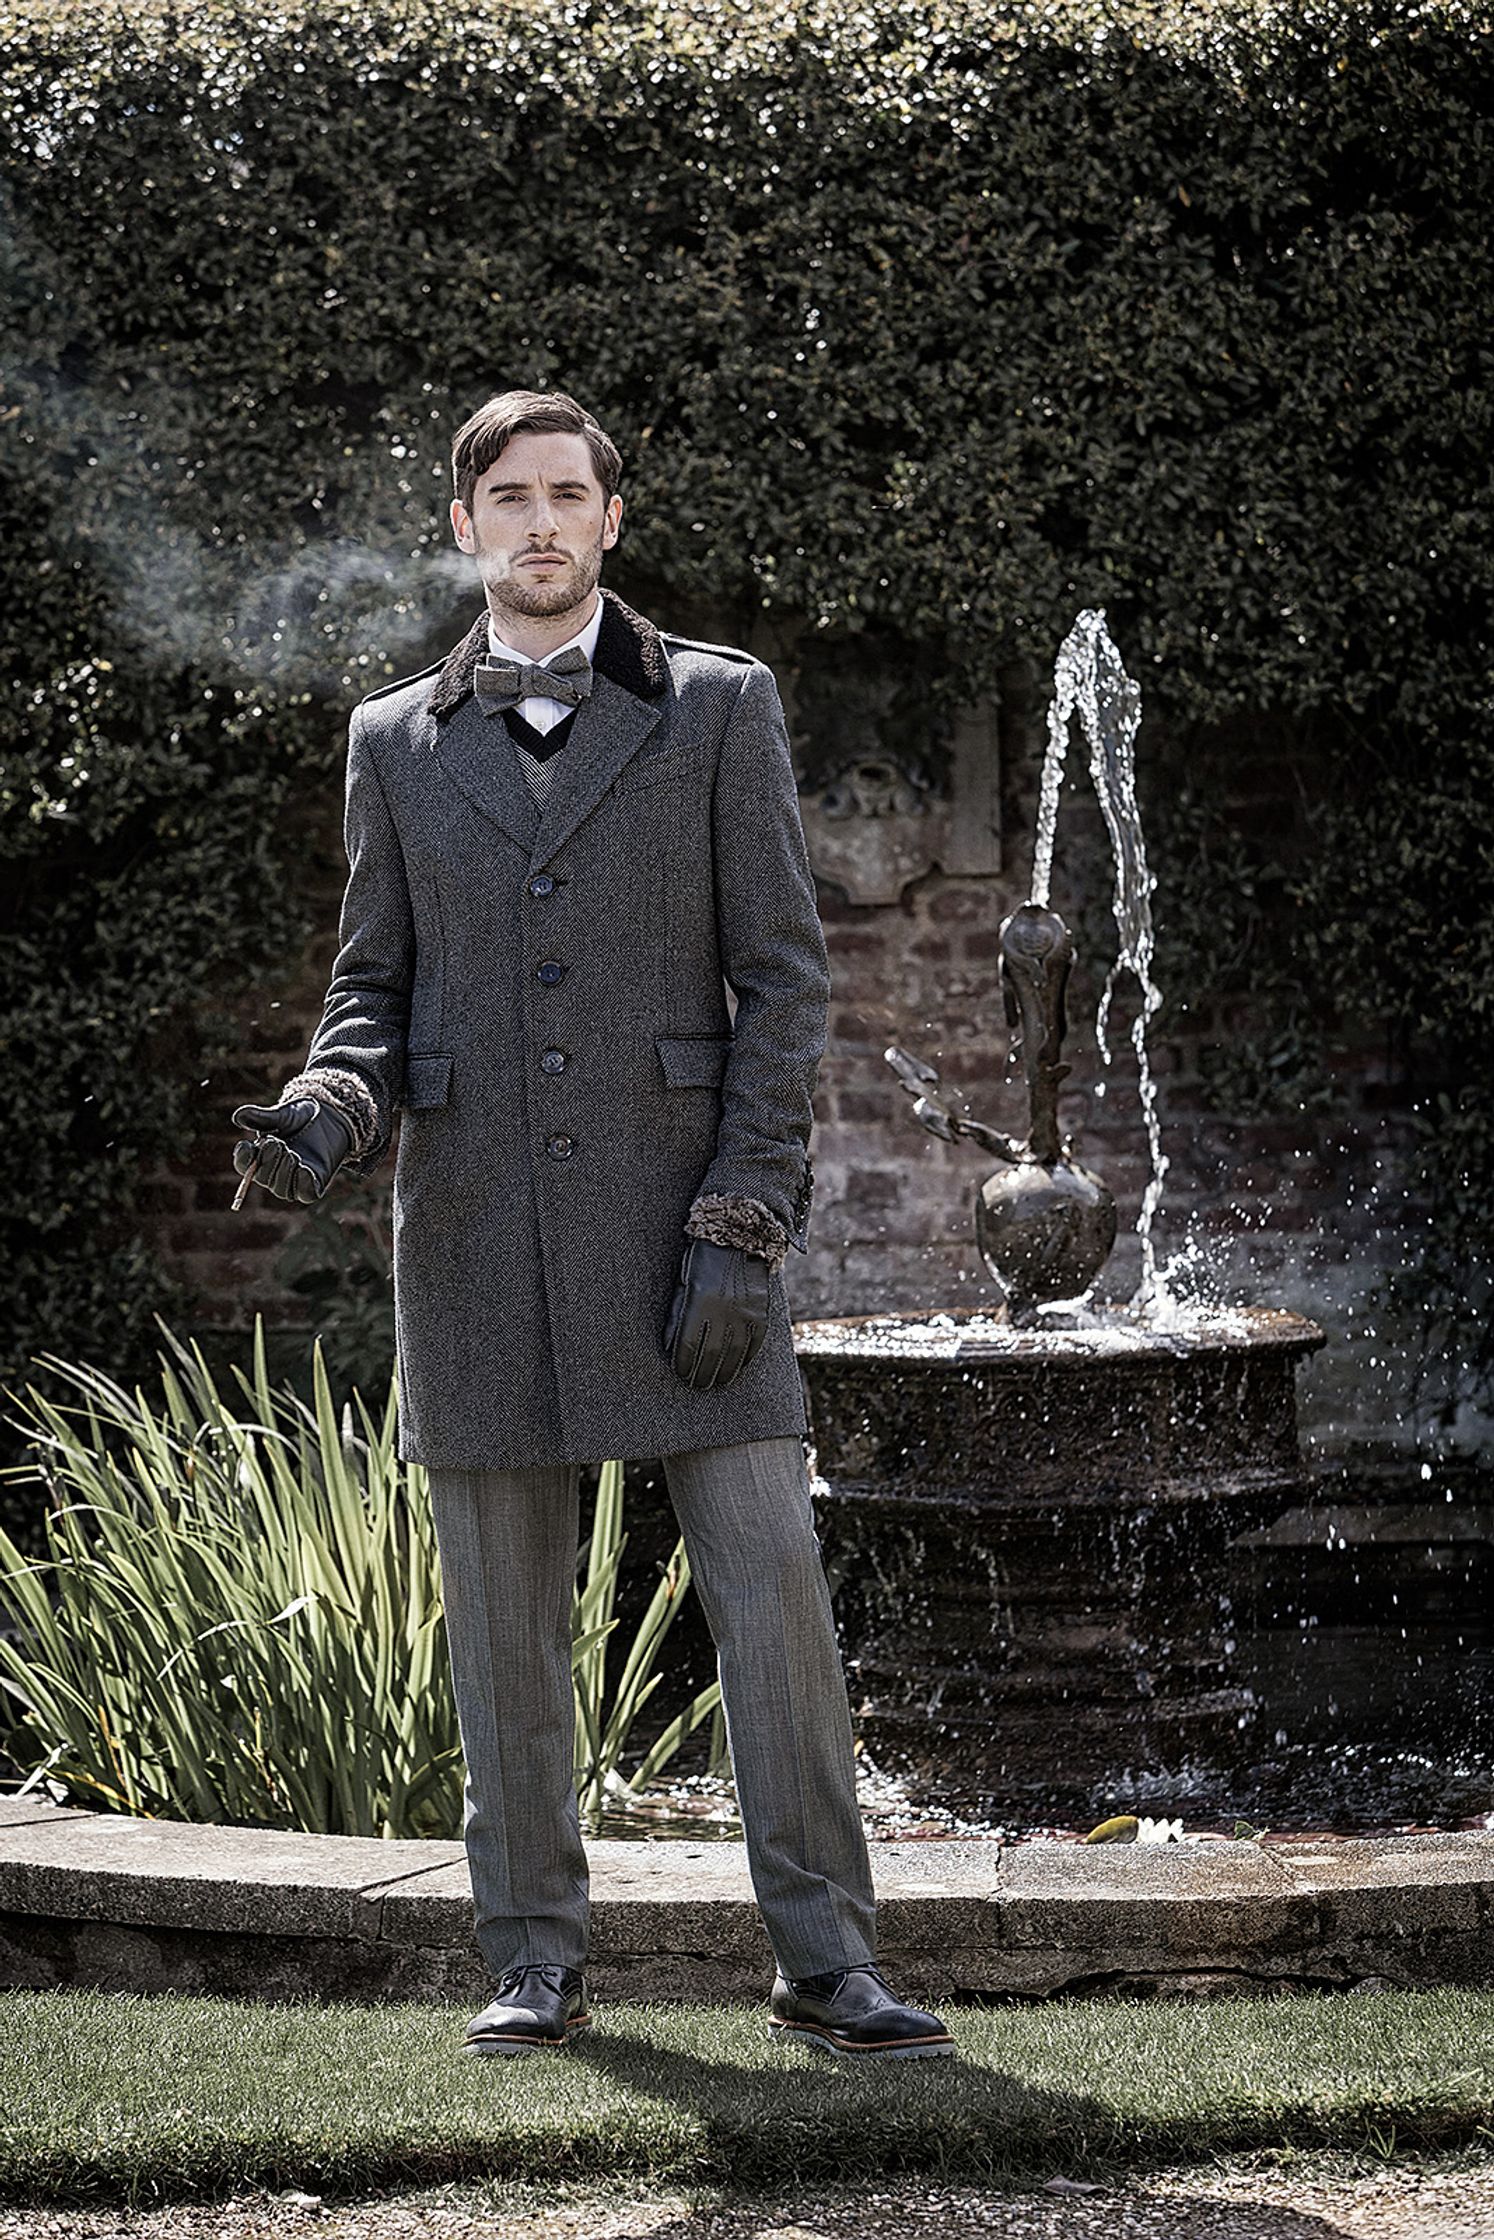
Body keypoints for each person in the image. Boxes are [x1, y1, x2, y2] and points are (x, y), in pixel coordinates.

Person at [232, 389, 956, 2063]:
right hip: (474, 1225)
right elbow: (370, 987)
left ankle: (826, 1959)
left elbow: (781, 983)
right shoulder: (393, 740)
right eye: (510, 496)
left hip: (687, 1230)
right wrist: (328, 1110)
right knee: (501, 1619)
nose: (541, 520)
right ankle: (535, 1951)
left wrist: (741, 1224)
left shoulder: (716, 707)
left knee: (768, 1590)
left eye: (570, 494)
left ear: (609, 523)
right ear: (466, 526)